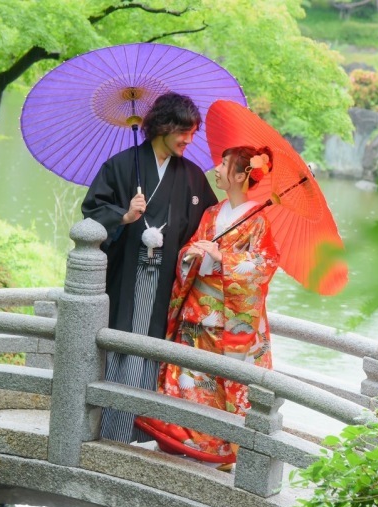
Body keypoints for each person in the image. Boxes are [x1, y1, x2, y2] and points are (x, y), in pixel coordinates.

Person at [81, 92, 218, 443]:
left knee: (155, 352)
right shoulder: (121, 165)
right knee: (122, 346)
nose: (188, 140)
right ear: (163, 127)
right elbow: (93, 211)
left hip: (167, 284)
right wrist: (125, 216)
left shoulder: (191, 177)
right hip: (126, 276)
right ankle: (110, 431)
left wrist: (201, 247)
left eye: (193, 133)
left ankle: (144, 433)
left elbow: (208, 223)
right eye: (183, 132)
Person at [136, 145, 280, 467]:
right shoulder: (212, 213)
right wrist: (193, 254)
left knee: (218, 380)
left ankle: (217, 449)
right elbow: (190, 248)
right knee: (188, 376)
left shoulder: (259, 220)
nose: (217, 168)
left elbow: (265, 265)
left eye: (225, 164)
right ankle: (179, 439)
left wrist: (222, 257)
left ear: (242, 175)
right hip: (196, 311)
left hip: (229, 318)